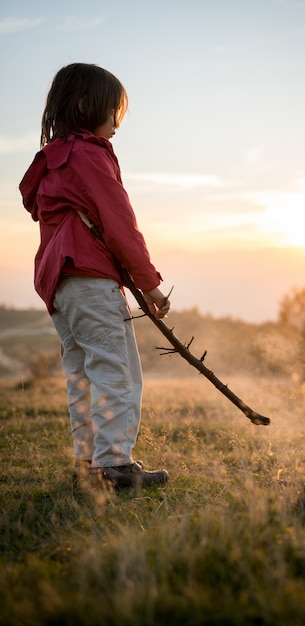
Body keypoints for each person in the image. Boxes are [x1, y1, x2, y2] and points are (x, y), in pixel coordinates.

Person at [19, 63, 170, 491]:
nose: (115, 127)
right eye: (111, 113)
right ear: (86, 106)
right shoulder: (90, 154)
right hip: (90, 278)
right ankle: (113, 466)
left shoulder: (52, 162)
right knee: (116, 371)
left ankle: (88, 464)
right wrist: (149, 283)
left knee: (82, 373)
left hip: (60, 285)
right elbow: (120, 223)